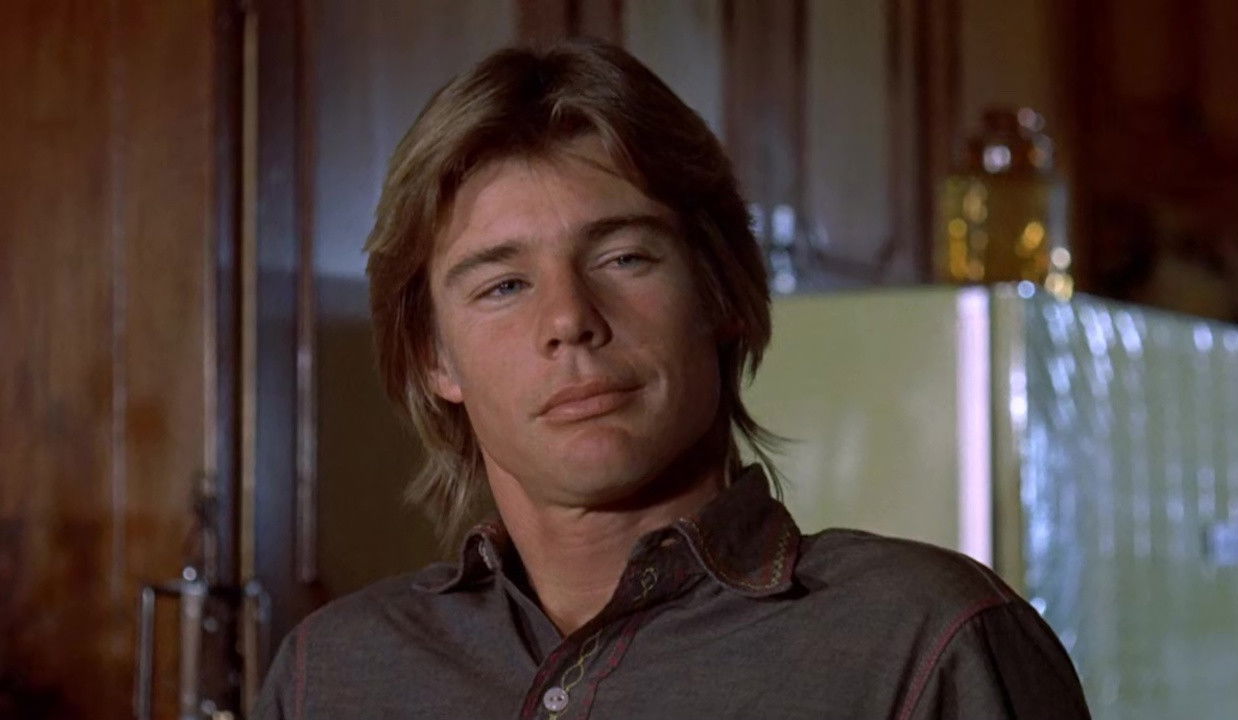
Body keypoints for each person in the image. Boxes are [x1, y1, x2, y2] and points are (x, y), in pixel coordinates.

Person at [252, 39, 1091, 720]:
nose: (569, 318)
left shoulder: (925, 642)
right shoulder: (333, 675)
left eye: (623, 257)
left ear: (718, 290)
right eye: (503, 285)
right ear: (436, 358)